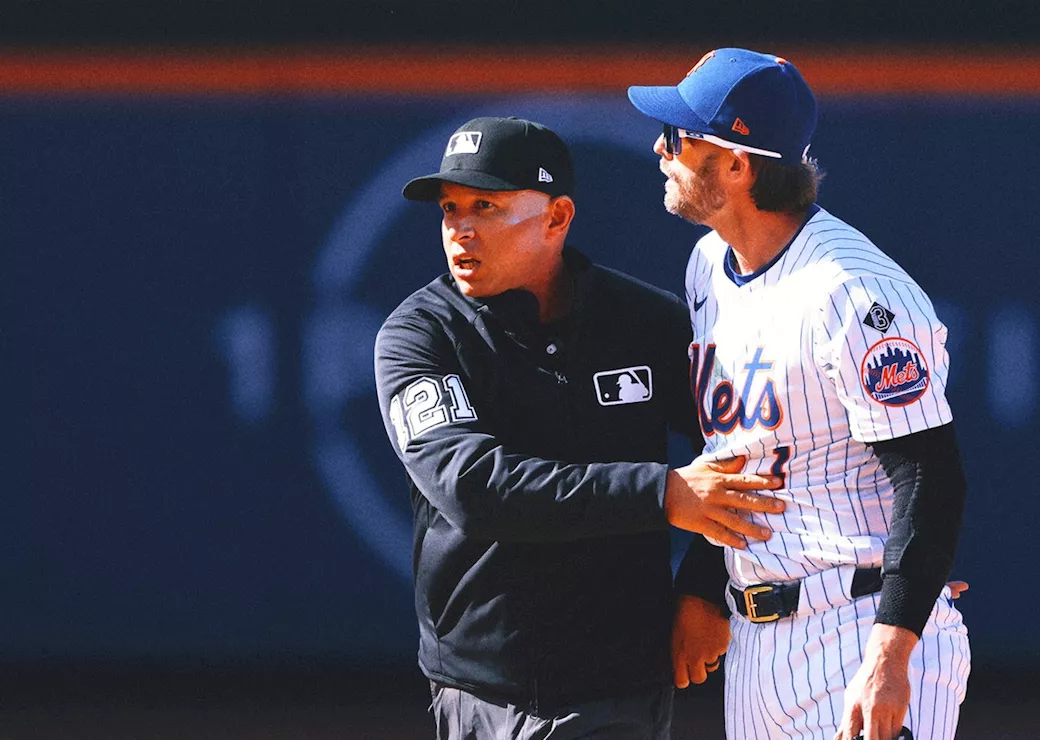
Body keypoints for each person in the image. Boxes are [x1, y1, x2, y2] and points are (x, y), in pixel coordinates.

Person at [373, 116, 787, 739]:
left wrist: (705, 586)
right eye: (450, 208)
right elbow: (474, 489)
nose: (460, 228)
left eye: (486, 205)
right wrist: (664, 494)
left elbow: (749, 448)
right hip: (489, 687)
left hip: (622, 682)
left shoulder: (643, 322)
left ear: (557, 218)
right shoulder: (420, 336)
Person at [627, 50, 972, 740]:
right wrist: (703, 582)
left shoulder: (854, 292)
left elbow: (932, 477)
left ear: (737, 163)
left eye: (682, 136)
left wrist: (891, 651)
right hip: (758, 646)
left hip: (858, 629)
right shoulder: (709, 267)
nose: (662, 147)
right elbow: (738, 454)